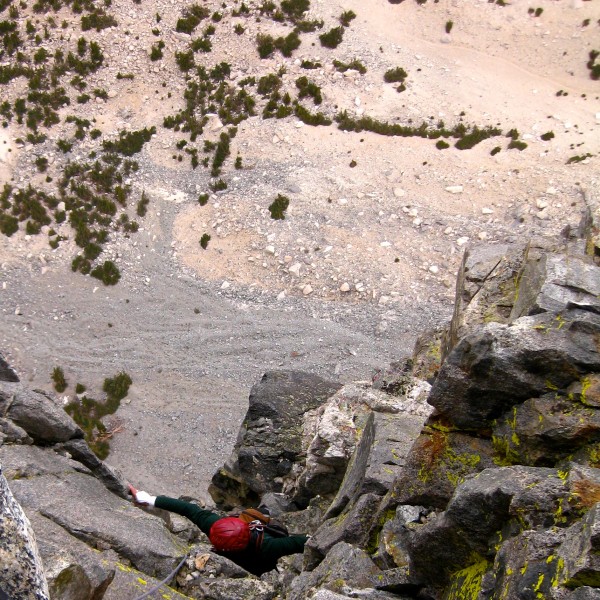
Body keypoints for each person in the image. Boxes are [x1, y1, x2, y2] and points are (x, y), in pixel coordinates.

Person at [128, 484, 309, 576]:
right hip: (264, 566)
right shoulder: (268, 546)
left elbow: (187, 509)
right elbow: (299, 542)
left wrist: (149, 499)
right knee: (258, 514)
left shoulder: (213, 527)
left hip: (246, 565)